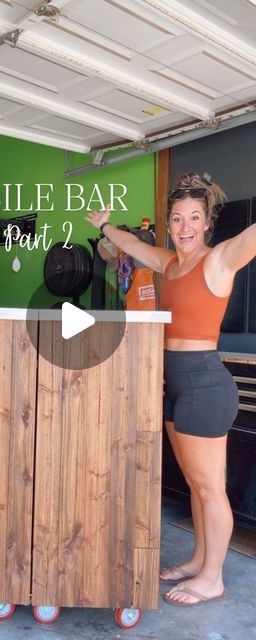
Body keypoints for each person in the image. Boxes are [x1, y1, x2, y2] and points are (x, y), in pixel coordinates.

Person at [85, 172, 256, 607]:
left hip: (205, 384)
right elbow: (133, 247)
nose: (184, 227)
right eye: (177, 218)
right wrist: (104, 227)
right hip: (175, 384)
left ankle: (212, 578)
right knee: (196, 485)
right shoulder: (170, 264)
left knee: (209, 488)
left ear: (206, 223)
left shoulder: (218, 260)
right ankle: (200, 560)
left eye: (193, 218)